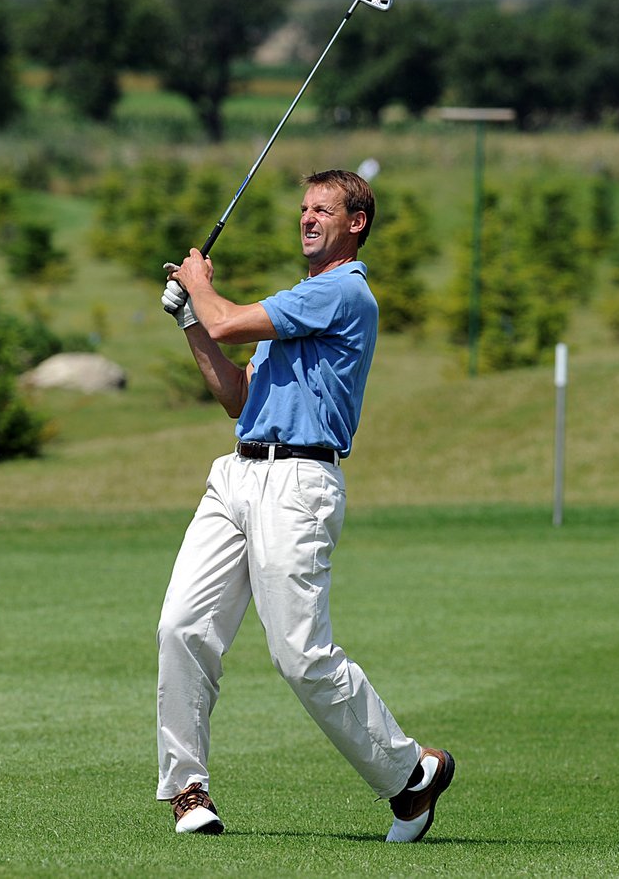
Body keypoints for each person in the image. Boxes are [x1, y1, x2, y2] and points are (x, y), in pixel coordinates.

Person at [156, 169, 454, 842]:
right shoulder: (296, 300)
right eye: (303, 207)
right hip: (236, 472)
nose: (307, 217)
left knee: (299, 654)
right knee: (180, 625)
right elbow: (238, 393)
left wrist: (199, 285)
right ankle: (187, 790)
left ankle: (410, 773)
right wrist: (187, 320)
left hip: (300, 485)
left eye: (324, 209)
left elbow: (228, 320)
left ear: (356, 223)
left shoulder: (345, 294)